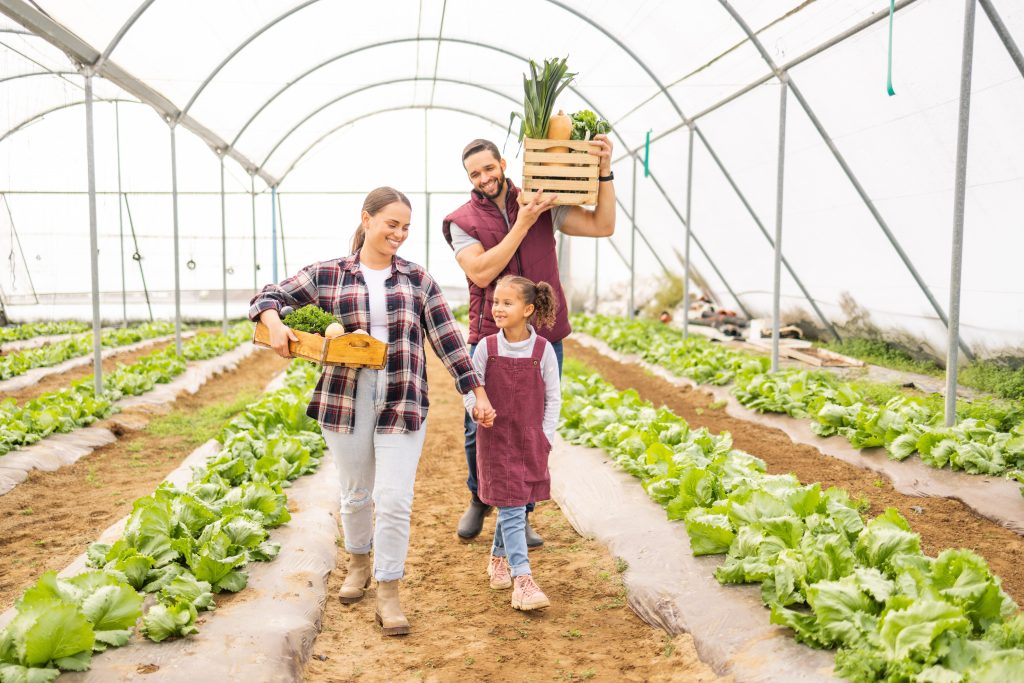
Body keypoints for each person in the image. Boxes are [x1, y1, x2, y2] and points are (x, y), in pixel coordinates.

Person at [250, 187, 495, 636]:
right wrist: (275, 325)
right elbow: (266, 297)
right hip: (346, 397)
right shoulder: (330, 274)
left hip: (403, 394)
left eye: (405, 227)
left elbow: (448, 341)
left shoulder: (417, 280)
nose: (399, 234)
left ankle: (388, 591)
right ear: (367, 220)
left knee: (396, 499)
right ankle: (359, 565)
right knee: (357, 493)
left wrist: (474, 391)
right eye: (391, 224)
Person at [443, 136, 616, 545]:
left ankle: (520, 512)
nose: (484, 178)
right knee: (478, 424)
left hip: (543, 336)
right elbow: (483, 273)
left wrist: (605, 171)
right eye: (474, 173)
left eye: (488, 168)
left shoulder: (545, 201)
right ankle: (479, 498)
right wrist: (523, 220)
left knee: (530, 426)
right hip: (490, 336)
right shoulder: (461, 221)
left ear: (503, 163)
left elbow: (602, 224)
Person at [464, 275, 561, 610]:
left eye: (508, 303)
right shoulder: (485, 348)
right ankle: (523, 579)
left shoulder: (543, 349)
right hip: (495, 438)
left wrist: (546, 437)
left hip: (530, 438)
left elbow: (554, 398)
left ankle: (496, 558)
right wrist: (477, 410)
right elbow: (469, 389)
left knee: (515, 501)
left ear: (528, 309)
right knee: (513, 504)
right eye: (496, 303)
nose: (499, 309)